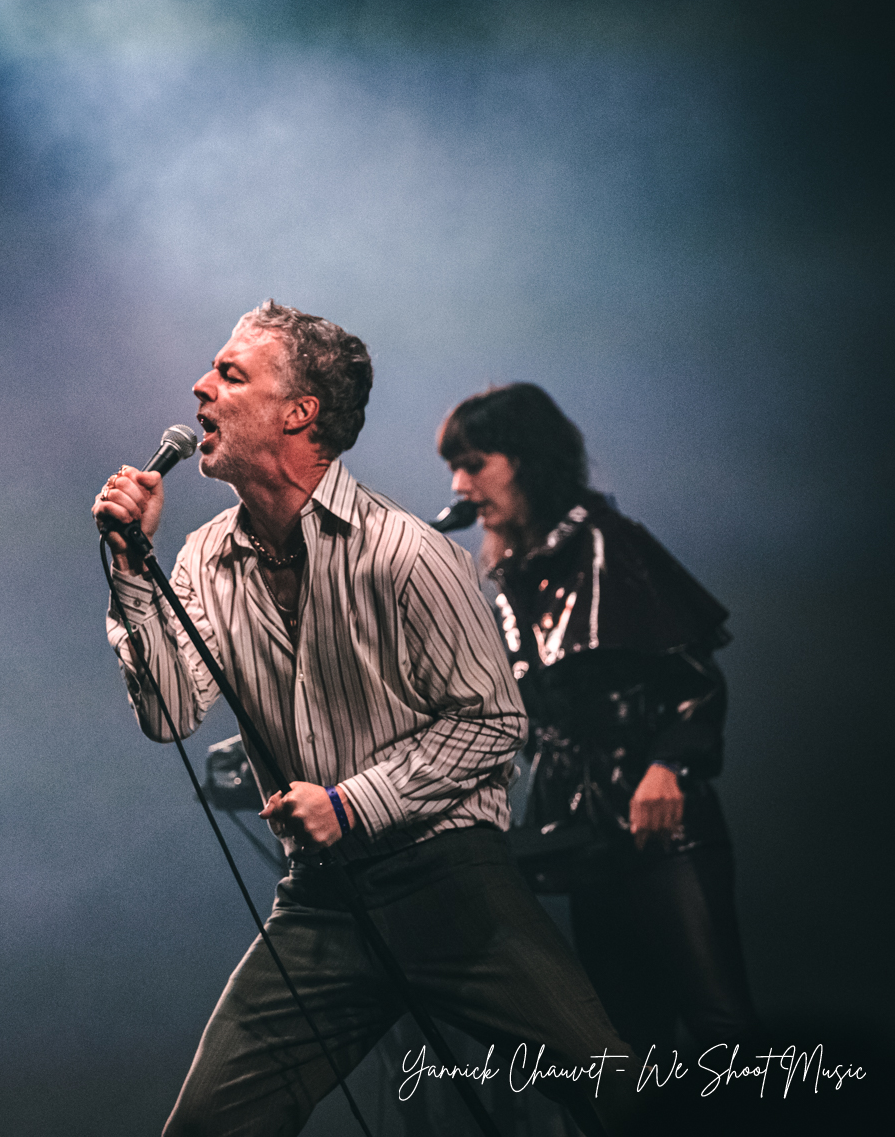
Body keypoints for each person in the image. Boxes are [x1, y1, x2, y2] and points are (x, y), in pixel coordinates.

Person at [95, 302, 634, 1136]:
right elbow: (169, 715)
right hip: (324, 907)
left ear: (299, 411)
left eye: (230, 374)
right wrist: (134, 569)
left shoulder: (411, 554)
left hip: (454, 887)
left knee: (618, 1098)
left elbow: (494, 723)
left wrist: (352, 804)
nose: (200, 387)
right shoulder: (205, 558)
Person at [438, 383, 758, 1058]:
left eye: (475, 463)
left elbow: (697, 681)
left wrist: (669, 766)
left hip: (660, 829)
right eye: (454, 468)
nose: (461, 485)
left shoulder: (612, 544)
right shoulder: (507, 579)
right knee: (625, 1044)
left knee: (720, 1033)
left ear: (525, 459)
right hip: (577, 835)